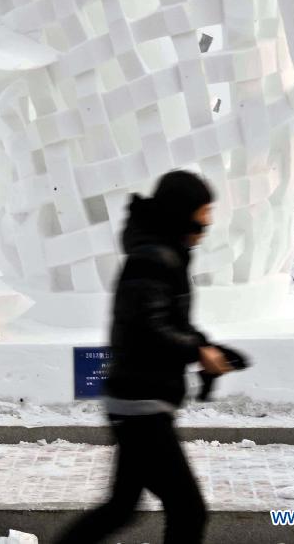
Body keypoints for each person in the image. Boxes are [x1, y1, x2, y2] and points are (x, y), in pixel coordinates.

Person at [55, 169, 235, 544]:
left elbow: (167, 320)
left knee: (121, 507)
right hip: (141, 405)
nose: (206, 227)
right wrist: (196, 350)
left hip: (137, 400)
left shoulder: (162, 251)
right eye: (202, 218)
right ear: (180, 212)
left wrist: (206, 346)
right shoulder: (152, 258)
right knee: (188, 509)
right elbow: (148, 329)